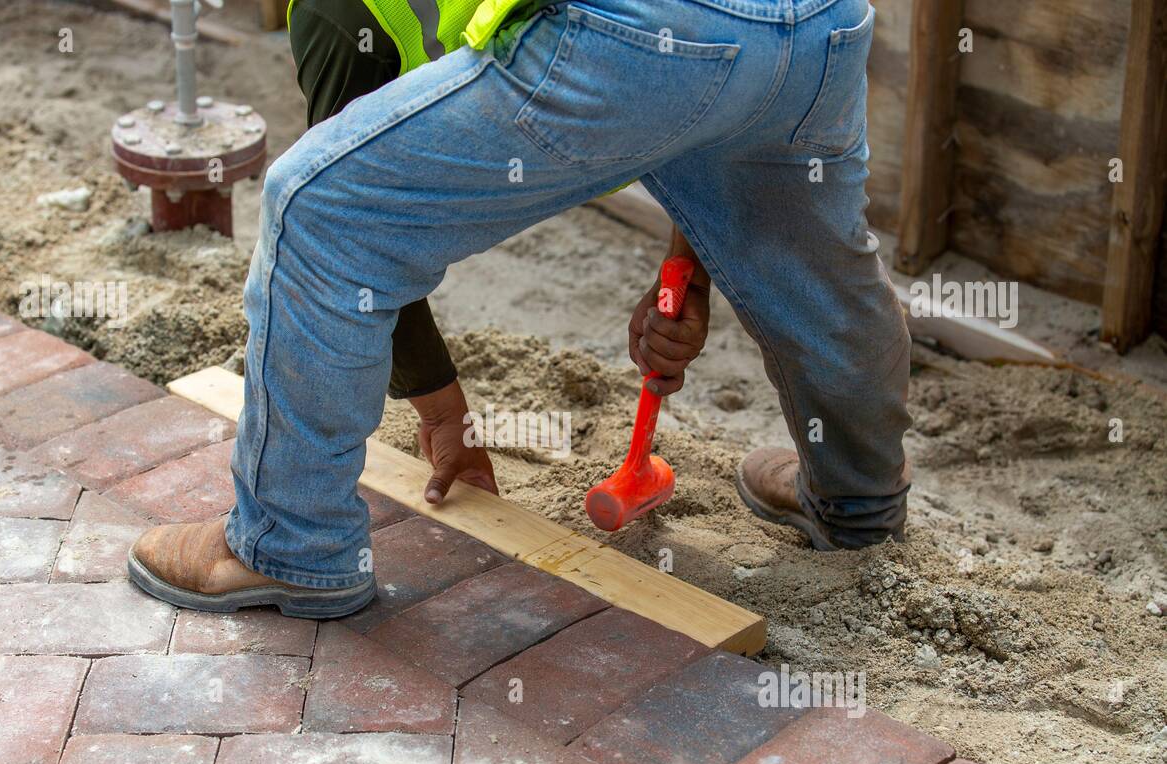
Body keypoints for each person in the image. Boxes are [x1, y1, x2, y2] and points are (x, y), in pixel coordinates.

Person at [127, 0, 913, 620]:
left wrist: (441, 413)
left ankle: (286, 546)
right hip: (816, 25)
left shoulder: (335, 12)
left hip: (634, 34)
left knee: (316, 209)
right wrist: (693, 278)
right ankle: (858, 500)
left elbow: (358, 240)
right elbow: (718, 106)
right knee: (821, 278)